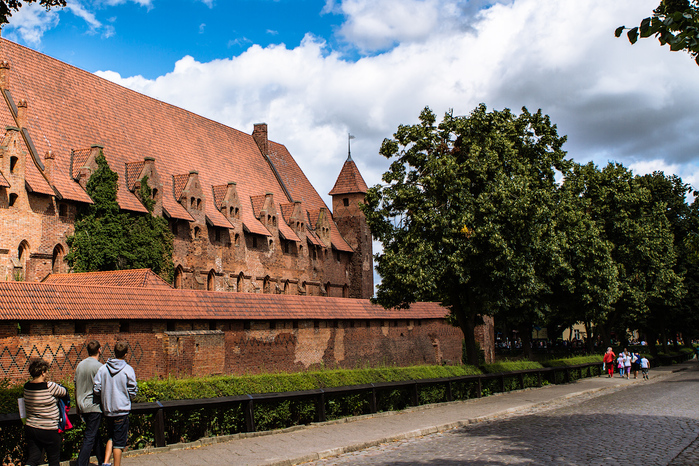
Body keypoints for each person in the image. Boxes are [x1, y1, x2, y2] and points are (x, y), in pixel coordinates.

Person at [93, 341, 138, 466]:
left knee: (111, 436)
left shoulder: (103, 368)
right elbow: (133, 390)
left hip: (108, 409)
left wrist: (104, 395)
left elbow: (96, 388)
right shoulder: (128, 369)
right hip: (122, 409)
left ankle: (106, 462)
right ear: (126, 354)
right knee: (119, 443)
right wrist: (128, 396)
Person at [23, 359, 67, 466]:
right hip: (49, 429)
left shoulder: (27, 387)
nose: (47, 373)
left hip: (31, 427)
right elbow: (64, 392)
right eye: (46, 371)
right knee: (53, 460)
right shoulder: (50, 386)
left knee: (33, 458)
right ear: (42, 372)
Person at [75, 341, 106, 466]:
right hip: (94, 406)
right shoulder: (99, 367)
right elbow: (103, 388)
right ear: (99, 350)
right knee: (90, 436)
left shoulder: (80, 365)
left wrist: (77, 406)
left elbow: (76, 386)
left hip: (82, 405)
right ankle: (81, 463)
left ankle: (102, 460)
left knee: (94, 434)